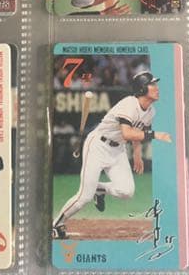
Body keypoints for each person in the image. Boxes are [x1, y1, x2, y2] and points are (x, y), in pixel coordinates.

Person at [52, 71, 171, 239]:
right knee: (84, 196)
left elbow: (137, 132)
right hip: (98, 146)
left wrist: (137, 154)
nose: (157, 88)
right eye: (152, 84)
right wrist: (155, 135)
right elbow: (127, 133)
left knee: (126, 191)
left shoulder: (151, 111)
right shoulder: (129, 104)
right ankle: (55, 225)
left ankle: (99, 189)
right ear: (142, 89)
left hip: (118, 150)